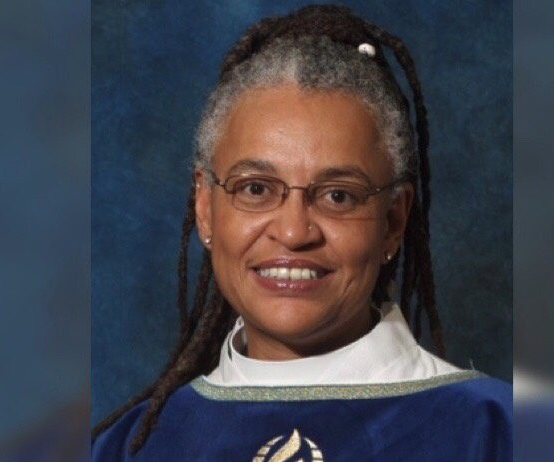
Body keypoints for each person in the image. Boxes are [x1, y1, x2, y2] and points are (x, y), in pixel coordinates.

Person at [91, 5, 511, 460]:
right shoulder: (128, 448)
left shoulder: (497, 432)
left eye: (338, 196)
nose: (293, 232)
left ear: (393, 221)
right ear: (205, 208)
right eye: (255, 188)